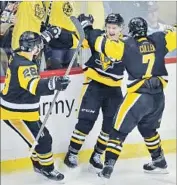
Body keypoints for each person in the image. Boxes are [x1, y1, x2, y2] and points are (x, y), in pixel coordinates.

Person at [88, 17, 176, 180]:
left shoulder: (125, 45)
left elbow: (101, 44)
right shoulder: (159, 39)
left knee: (117, 130)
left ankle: (107, 167)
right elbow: (174, 34)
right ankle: (159, 161)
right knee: (148, 129)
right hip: (158, 98)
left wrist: (90, 30)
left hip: (138, 97)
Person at [0, 31, 70, 181]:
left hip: (24, 111)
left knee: (37, 139)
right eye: (38, 46)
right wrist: (53, 83)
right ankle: (47, 169)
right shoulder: (25, 66)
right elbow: (33, 86)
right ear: (35, 48)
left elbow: (35, 45)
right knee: (42, 141)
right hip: (16, 114)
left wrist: (48, 34)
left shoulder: (18, 53)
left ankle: (38, 164)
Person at [64, 13, 125, 172]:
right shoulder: (98, 35)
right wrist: (81, 29)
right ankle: (72, 152)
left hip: (114, 89)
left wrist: (87, 27)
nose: (111, 30)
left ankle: (97, 154)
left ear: (121, 29)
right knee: (86, 122)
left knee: (110, 127)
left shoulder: (125, 44)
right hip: (95, 85)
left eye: (115, 28)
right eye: (109, 27)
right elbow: (81, 39)